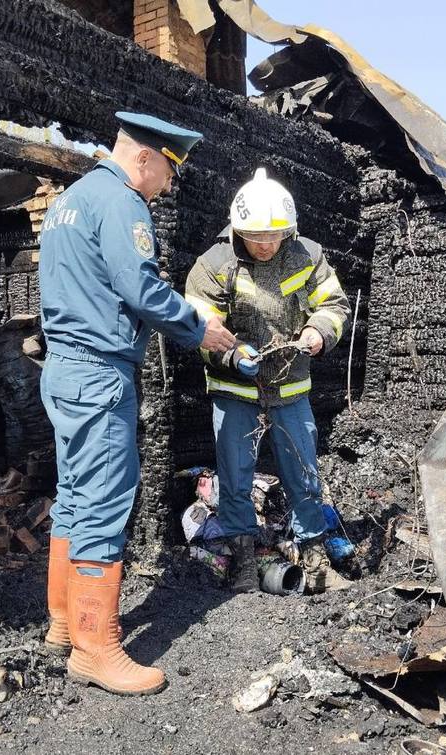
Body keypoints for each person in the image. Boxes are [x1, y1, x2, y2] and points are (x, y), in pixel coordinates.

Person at [38, 111, 236, 696]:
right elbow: (141, 289)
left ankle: (62, 623)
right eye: (169, 172)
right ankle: (96, 649)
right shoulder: (123, 203)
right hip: (100, 373)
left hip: (64, 369)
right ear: (146, 157)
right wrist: (200, 327)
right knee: (102, 503)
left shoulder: (69, 200)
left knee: (74, 494)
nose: (169, 185)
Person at [185, 168, 351, 595]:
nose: (265, 245)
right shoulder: (214, 266)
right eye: (256, 237)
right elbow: (197, 326)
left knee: (303, 472)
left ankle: (313, 554)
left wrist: (319, 332)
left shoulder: (307, 256)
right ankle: (242, 560)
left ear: (289, 231)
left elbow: (333, 304)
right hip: (235, 390)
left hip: (291, 389)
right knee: (235, 475)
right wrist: (230, 353)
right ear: (238, 230)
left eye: (274, 237)